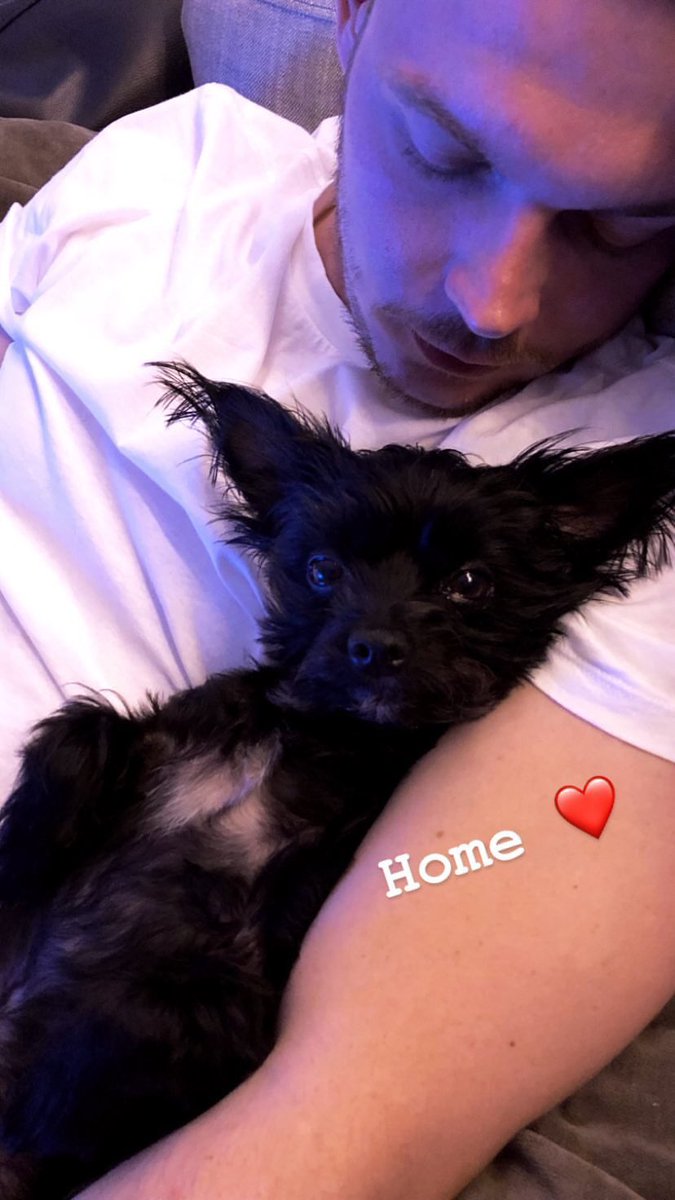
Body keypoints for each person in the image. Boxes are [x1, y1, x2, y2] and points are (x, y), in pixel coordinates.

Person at [0, 0, 674, 1196]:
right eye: (447, 149)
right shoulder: (171, 158)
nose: (491, 300)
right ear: (351, 14)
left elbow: (342, 1123)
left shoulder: (634, 473)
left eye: (616, 226)